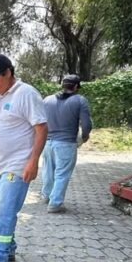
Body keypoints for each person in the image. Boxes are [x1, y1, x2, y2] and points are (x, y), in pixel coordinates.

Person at [0, 54, 48, 262]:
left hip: (18, 166)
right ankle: (7, 249)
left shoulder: (26, 94)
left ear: (8, 73)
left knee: (3, 212)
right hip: (0, 164)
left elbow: (41, 129)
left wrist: (33, 161)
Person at [40, 74, 92, 213]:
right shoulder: (80, 100)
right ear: (76, 87)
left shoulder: (47, 100)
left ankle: (46, 196)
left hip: (47, 142)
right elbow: (86, 125)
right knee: (62, 174)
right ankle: (55, 204)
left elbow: (40, 121)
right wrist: (84, 137)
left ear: (62, 85)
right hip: (66, 143)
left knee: (48, 170)